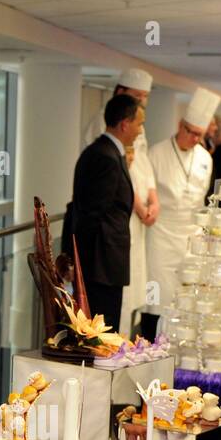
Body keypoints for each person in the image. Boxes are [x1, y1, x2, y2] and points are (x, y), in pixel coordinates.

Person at [81, 68, 158, 336]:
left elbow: (143, 167)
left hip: (125, 228)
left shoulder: (135, 127)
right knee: (107, 312)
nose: (143, 102)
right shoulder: (102, 139)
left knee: (126, 298)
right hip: (107, 243)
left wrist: (152, 200)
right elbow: (96, 203)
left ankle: (122, 344)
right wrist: (137, 205)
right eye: (138, 96)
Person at [70, 94, 140, 332]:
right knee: (101, 331)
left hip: (105, 261)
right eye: (139, 124)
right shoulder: (105, 157)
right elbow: (91, 213)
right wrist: (79, 261)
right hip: (101, 264)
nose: (140, 131)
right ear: (125, 124)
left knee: (102, 329)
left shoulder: (104, 151)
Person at [147, 88, 218, 308]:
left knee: (189, 294)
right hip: (161, 233)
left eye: (200, 135)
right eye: (192, 132)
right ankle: (150, 337)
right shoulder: (156, 153)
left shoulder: (205, 157)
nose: (196, 139)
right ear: (180, 125)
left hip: (191, 234)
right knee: (157, 292)